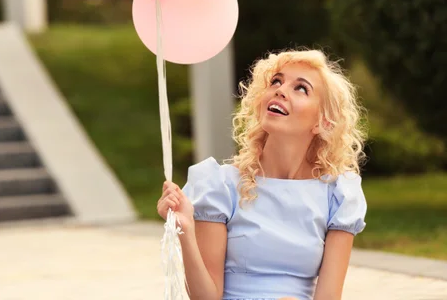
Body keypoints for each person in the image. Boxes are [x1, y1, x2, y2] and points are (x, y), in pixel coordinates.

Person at [157, 49, 367, 300]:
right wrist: (186, 231)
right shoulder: (220, 185)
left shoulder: (338, 194)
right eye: (276, 81)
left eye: (301, 88)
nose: (280, 90)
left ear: (323, 123)